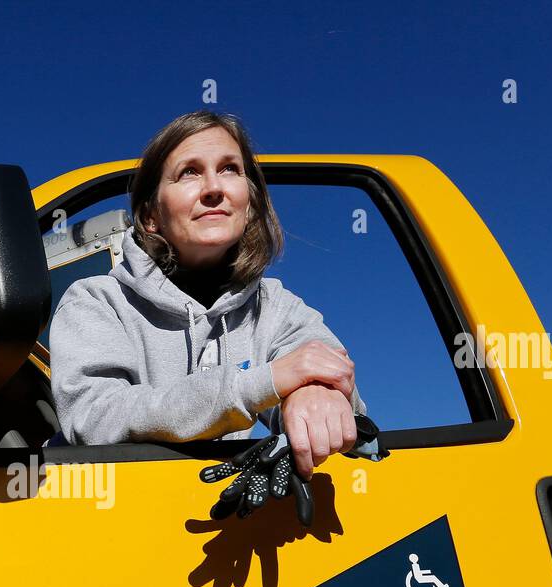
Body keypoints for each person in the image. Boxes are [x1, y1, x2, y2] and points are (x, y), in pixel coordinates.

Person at [49, 110, 366, 481]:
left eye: (230, 169)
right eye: (189, 172)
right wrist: (259, 385)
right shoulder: (95, 300)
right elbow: (94, 419)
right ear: (150, 215)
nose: (214, 187)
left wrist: (315, 395)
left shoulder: (278, 307)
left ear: (248, 204)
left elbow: (337, 382)